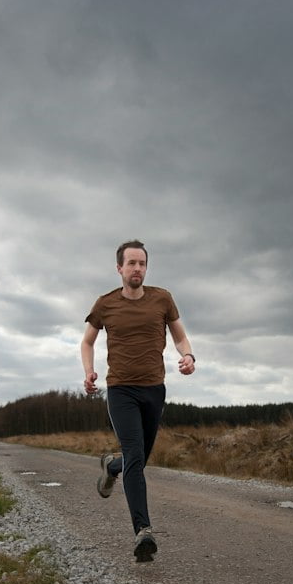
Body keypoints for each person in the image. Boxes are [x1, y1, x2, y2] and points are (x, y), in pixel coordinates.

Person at [81, 240, 196, 562]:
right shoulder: (105, 304)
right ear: (119, 268)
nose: (137, 269)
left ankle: (111, 465)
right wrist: (89, 371)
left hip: (153, 389)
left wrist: (188, 355)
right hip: (121, 390)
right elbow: (87, 342)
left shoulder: (163, 299)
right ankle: (142, 531)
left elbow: (179, 335)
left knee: (138, 459)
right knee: (135, 454)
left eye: (142, 263)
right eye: (131, 263)